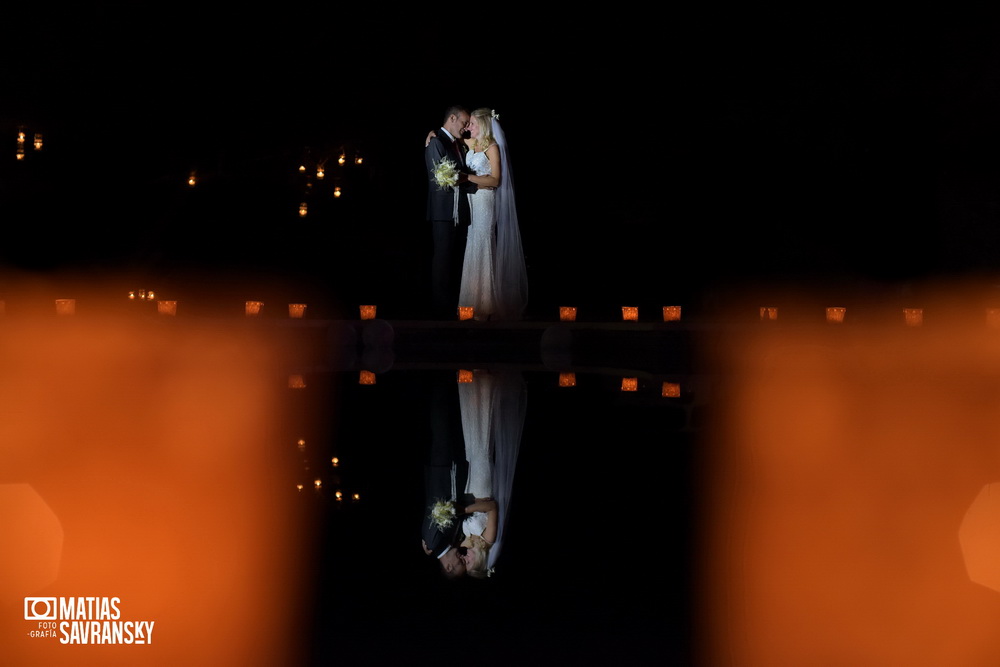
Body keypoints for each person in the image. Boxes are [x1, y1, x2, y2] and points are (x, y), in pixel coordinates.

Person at [426, 109, 529, 321]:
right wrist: (431, 133)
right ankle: (470, 303)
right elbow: (447, 140)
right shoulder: (471, 144)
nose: (468, 128)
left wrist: (467, 178)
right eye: (467, 123)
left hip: (485, 202)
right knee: (472, 247)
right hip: (471, 204)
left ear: (482, 124)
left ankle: (486, 305)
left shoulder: (492, 147)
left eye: (472, 124)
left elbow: (495, 180)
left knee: (482, 245)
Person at [425, 106, 473, 319]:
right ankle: (440, 309)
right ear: (452, 118)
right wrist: (470, 180)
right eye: (463, 122)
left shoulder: (457, 144)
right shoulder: (436, 142)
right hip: (443, 211)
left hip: (458, 210)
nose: (465, 127)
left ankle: (452, 305)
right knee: (442, 260)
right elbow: (440, 178)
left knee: (454, 260)